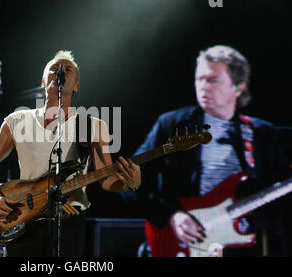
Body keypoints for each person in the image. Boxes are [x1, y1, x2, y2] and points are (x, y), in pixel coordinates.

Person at [124, 45, 291, 257]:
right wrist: (171, 216)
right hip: (183, 245)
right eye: (199, 79)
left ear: (238, 88)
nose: (203, 87)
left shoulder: (262, 134)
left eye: (213, 80)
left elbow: (281, 203)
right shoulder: (172, 125)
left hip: (244, 246)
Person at [0, 50, 141, 257]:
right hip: (24, 215)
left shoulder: (93, 125)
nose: (60, 71)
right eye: (54, 69)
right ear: (43, 82)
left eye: (68, 69)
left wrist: (129, 183)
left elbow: (106, 179)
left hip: (69, 219)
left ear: (77, 85)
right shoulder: (17, 121)